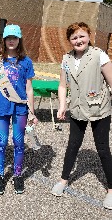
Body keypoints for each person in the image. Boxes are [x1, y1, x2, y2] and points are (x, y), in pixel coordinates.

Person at [51, 22, 112, 210]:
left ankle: (111, 189)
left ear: (89, 35)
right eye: (74, 38)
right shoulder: (66, 59)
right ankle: (64, 179)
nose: (78, 40)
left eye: (81, 36)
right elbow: (62, 85)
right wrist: (62, 105)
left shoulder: (99, 55)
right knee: (72, 146)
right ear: (69, 41)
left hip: (99, 110)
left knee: (102, 148)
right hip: (77, 110)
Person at [0, 24, 38, 195]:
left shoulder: (26, 61)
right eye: (8, 38)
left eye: (14, 38)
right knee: (1, 143)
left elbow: (29, 88)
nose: (11, 41)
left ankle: (17, 175)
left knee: (18, 143)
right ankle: (0, 175)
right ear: (4, 40)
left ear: (19, 40)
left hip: (20, 109)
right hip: (1, 107)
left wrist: (32, 111)